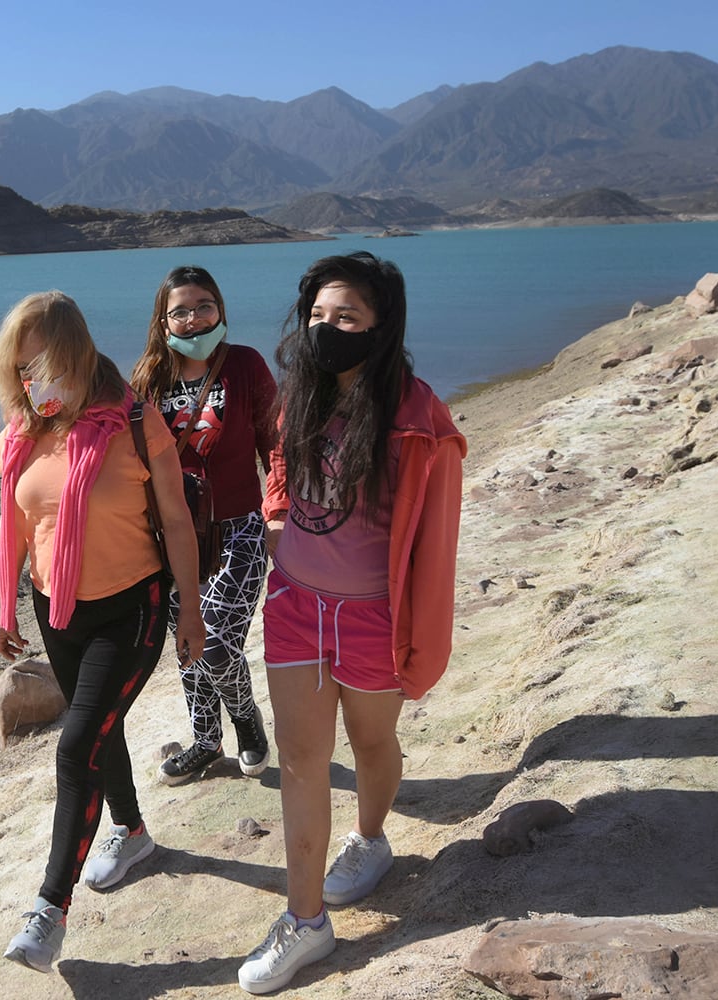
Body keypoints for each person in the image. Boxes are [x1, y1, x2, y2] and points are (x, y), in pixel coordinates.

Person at [237, 252, 465, 994]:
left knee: (373, 742)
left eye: (347, 318)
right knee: (302, 761)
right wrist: (276, 515)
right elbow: (278, 457)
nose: (327, 330)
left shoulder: (416, 418)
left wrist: (422, 637)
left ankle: (370, 839)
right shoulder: (298, 392)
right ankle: (305, 923)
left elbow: (436, 542)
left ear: (379, 327)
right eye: (317, 317)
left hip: (372, 618)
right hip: (297, 607)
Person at [0, 290, 204, 975]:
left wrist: (190, 610)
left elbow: (175, 522)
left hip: (130, 609)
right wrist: (4, 608)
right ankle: (132, 833)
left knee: (76, 746)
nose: (32, 382)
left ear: (76, 354)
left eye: (42, 365)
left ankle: (49, 912)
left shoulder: (136, 423)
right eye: (21, 370)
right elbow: (19, 521)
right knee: (98, 732)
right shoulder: (21, 432)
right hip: (58, 611)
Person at [130, 266, 278, 787]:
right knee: (189, 646)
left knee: (215, 643)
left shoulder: (244, 365)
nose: (194, 319)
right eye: (180, 310)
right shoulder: (148, 378)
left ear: (220, 309)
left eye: (204, 306)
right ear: (162, 319)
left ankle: (244, 719)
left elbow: (274, 441)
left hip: (239, 526)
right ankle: (205, 739)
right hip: (172, 532)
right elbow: (127, 457)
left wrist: (279, 511)